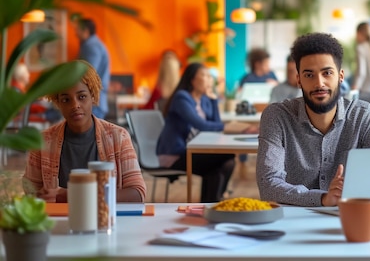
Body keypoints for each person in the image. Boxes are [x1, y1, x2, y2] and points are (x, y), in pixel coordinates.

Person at [256, 33, 370, 207]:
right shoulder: (277, 116)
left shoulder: (363, 115)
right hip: (293, 219)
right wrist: (323, 198)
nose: (319, 83)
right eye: (309, 75)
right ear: (299, 80)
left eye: (327, 73)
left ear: (341, 76)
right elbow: (268, 185)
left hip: (350, 214)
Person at [22, 60, 146, 203]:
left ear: (92, 96)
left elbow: (137, 193)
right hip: (59, 221)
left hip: (106, 220)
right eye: (66, 100)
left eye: (82, 97)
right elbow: (30, 192)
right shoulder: (43, 142)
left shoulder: (118, 137)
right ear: (58, 103)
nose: (75, 105)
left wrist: (71, 194)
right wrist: (40, 196)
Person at [156, 63, 235, 202]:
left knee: (224, 163)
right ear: (192, 80)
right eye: (204, 76)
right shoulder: (182, 98)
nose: (209, 80)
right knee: (224, 158)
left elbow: (215, 124)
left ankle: (212, 202)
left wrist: (214, 101)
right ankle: (213, 202)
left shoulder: (204, 99)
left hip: (191, 151)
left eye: (210, 76)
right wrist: (227, 127)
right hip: (174, 155)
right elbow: (201, 125)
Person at [74, 18, 110, 119]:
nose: (75, 33)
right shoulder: (90, 45)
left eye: (77, 30)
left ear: (85, 31)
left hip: (92, 104)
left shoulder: (92, 47)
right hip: (93, 102)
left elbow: (87, 74)